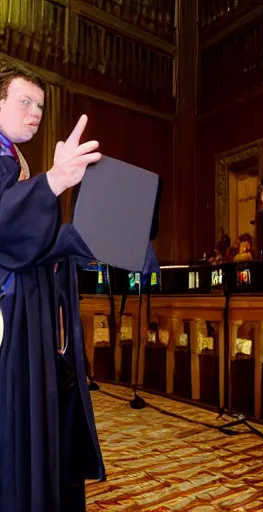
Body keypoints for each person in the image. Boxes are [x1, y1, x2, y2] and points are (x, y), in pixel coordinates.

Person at [0, 61, 105, 510]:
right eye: (24, 101)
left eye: (40, 105)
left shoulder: (13, 160)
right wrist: (54, 181)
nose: (35, 112)